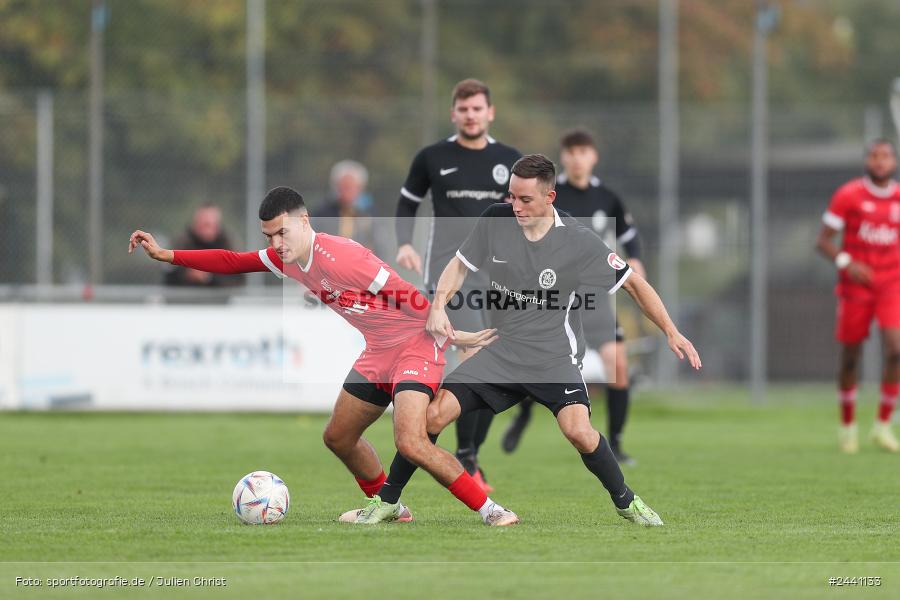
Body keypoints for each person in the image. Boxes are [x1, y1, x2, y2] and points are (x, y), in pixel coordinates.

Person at [129, 187, 516, 526]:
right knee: (338, 437)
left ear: (304, 221)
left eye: (282, 232)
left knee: (411, 442)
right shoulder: (286, 259)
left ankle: (491, 509)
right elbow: (232, 261)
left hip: (417, 344)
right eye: (270, 236)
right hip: (378, 352)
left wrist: (449, 330)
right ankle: (388, 507)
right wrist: (167, 255)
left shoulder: (344, 255)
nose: (277, 243)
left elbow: (404, 292)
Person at [349, 155, 701, 526]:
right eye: (511, 197)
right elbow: (458, 266)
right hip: (503, 350)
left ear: (550, 196)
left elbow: (632, 282)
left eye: (525, 199)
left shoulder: (578, 241)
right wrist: (438, 306)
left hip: (554, 357)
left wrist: (671, 331)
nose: (515, 206)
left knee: (578, 432)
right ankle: (388, 501)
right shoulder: (495, 220)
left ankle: (626, 501)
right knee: (433, 415)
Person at [395, 78, 521, 491]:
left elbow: (530, 212)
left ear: (490, 113)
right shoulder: (432, 157)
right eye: (463, 109)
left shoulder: (511, 161)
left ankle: (470, 450)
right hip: (452, 277)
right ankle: (465, 457)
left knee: (498, 371)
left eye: (477, 108)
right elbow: (407, 202)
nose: (471, 115)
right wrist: (404, 244)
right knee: (472, 361)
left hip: (502, 278)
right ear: (454, 114)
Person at [502, 129, 645, 465]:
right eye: (572, 152)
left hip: (594, 300)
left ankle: (617, 443)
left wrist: (635, 263)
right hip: (552, 295)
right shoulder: (549, 193)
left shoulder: (607, 198)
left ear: (593, 156)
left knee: (618, 365)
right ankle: (522, 414)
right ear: (564, 157)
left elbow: (630, 238)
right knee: (536, 364)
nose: (578, 158)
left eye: (584, 151)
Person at [816, 138, 900, 454]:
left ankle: (882, 426)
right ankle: (848, 427)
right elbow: (823, 241)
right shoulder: (849, 195)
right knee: (851, 356)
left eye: (886, 156)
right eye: (875, 156)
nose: (880, 161)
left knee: (896, 350)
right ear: (867, 161)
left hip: (892, 285)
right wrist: (846, 262)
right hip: (855, 288)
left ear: (893, 162)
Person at [164, 203, 243, 287]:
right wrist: (187, 274)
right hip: (186, 297)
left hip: (218, 298)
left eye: (209, 225)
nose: (207, 229)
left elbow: (238, 278)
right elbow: (168, 274)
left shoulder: (228, 244)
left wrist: (209, 277)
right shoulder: (182, 242)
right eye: (203, 224)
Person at [313, 160, 378, 252]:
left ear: (360, 188)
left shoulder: (368, 212)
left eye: (351, 187)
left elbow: (379, 245)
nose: (347, 192)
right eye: (344, 187)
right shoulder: (323, 211)